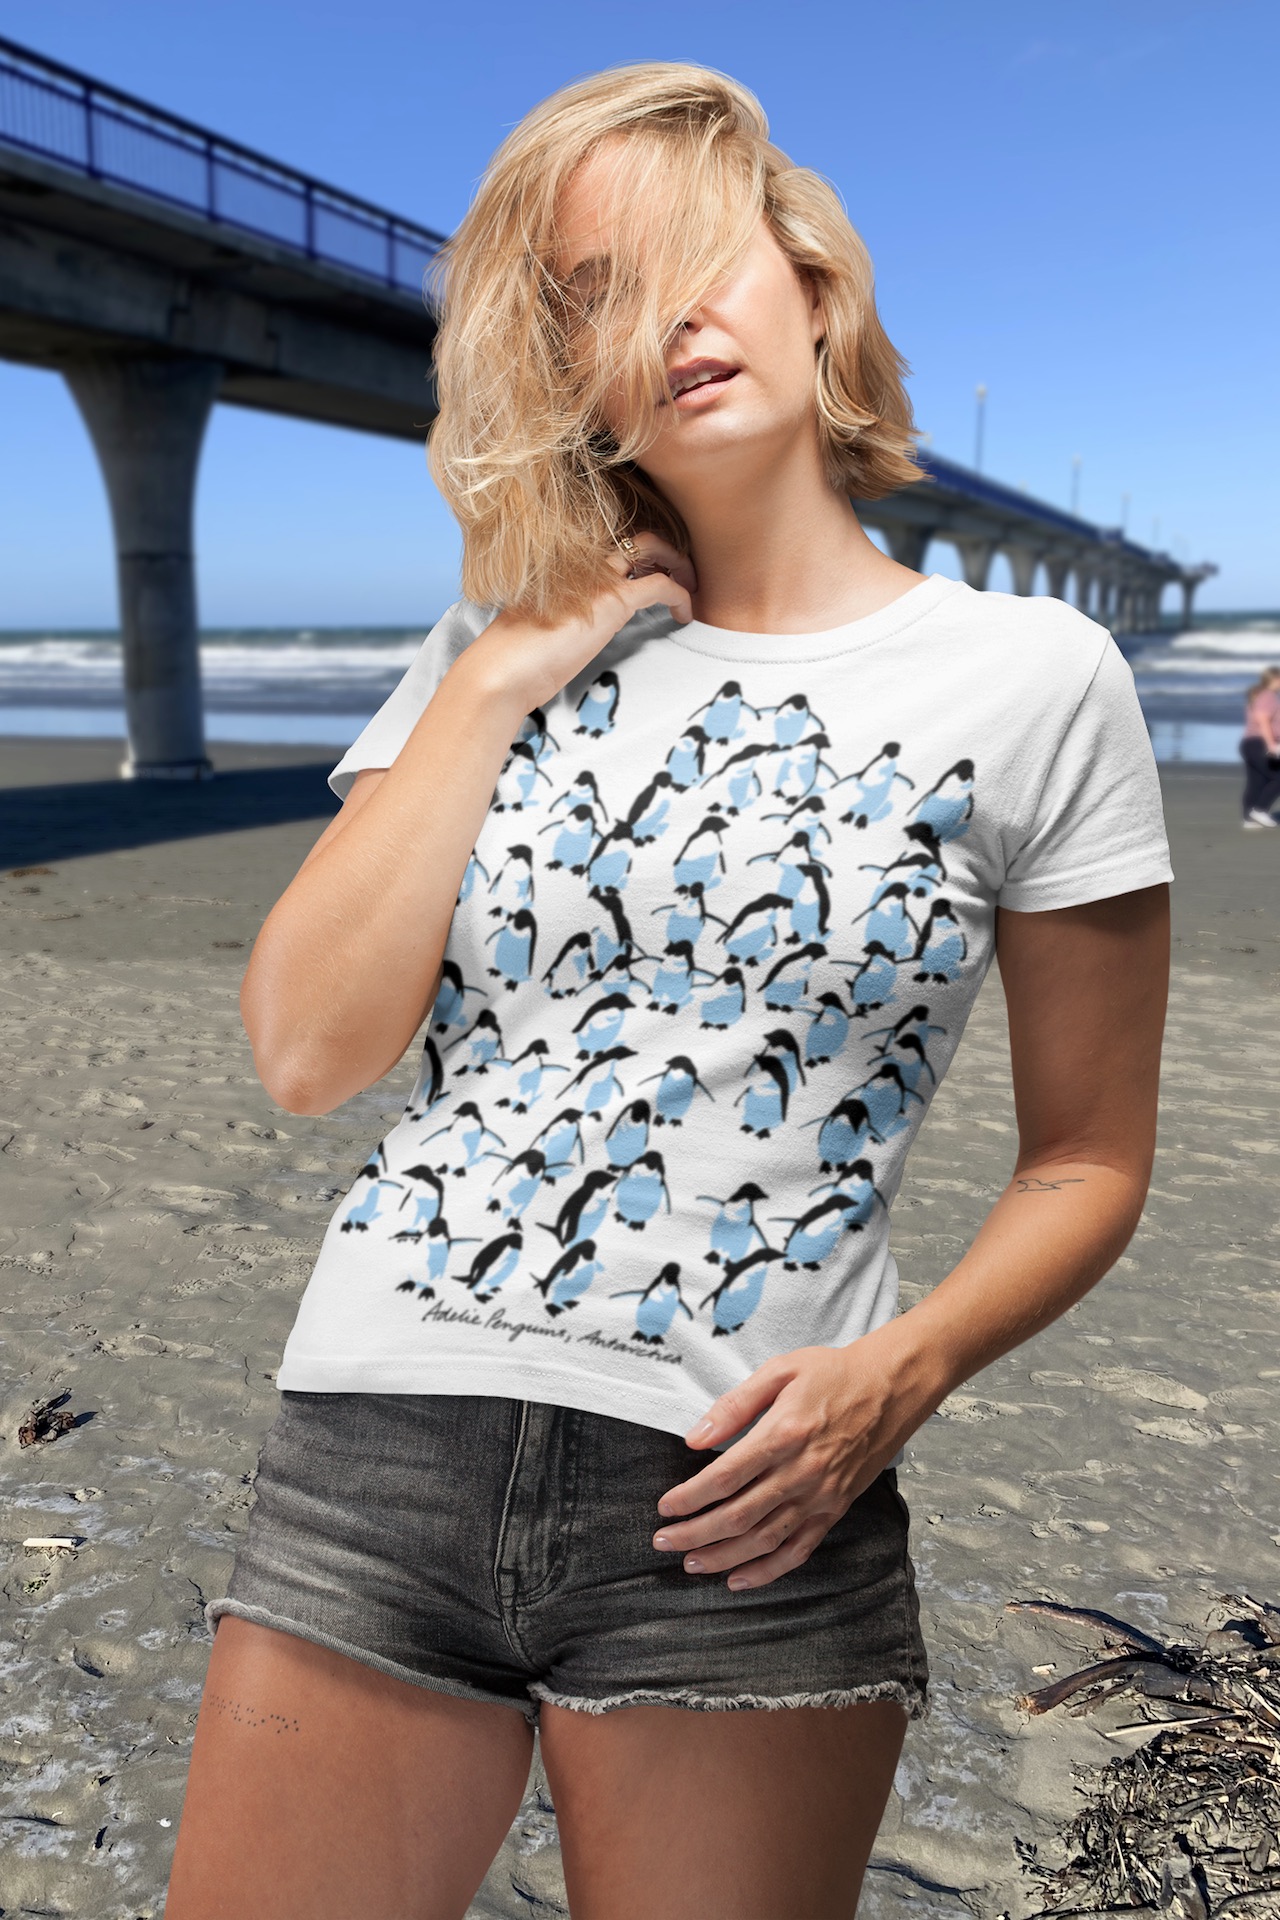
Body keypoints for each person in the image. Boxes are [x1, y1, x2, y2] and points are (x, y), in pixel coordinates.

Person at [165, 63, 1174, 1920]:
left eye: (701, 258)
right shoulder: (490, 649)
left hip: (751, 1497)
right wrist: (503, 670)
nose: (670, 322)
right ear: (567, 375)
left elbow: (1091, 1158)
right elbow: (307, 1048)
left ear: (815, 283)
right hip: (379, 1440)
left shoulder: (1035, 674)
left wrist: (905, 1371)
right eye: (595, 299)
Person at [1240, 664, 1280, 827]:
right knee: (1277, 777)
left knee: (1256, 782)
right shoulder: (1268, 696)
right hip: (1260, 744)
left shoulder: (1258, 695)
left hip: (1250, 744)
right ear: (1276, 679)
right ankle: (1260, 810)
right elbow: (1262, 719)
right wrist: (1271, 745)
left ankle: (1248, 819)